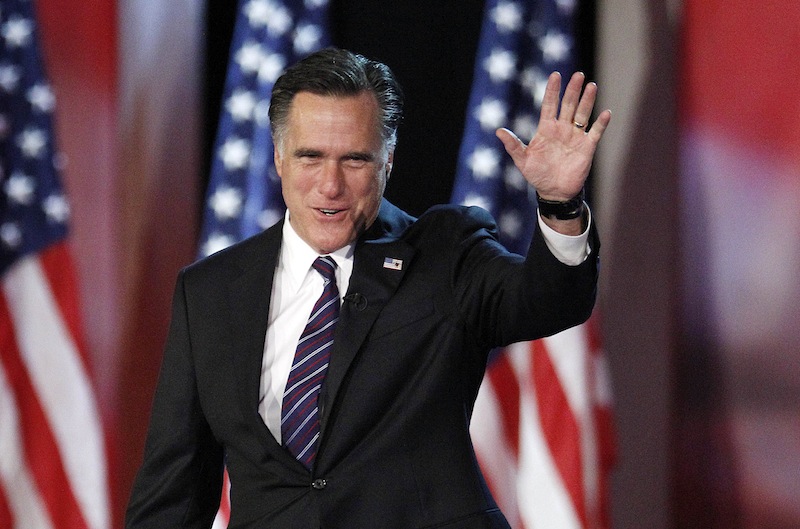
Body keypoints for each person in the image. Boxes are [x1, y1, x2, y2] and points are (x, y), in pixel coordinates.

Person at [125, 48, 610, 529]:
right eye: (310, 157)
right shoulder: (210, 291)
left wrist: (560, 204)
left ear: (388, 160)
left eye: (355, 160)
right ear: (278, 156)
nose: (330, 185)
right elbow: (174, 491)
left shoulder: (444, 253)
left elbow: (549, 301)